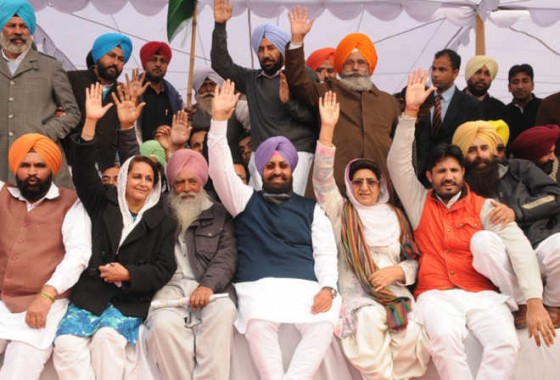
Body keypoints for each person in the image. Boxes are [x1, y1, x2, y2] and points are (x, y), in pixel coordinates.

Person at [387, 69, 555, 379]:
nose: (448, 177)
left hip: (482, 294)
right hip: (436, 294)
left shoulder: (485, 206)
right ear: (429, 177)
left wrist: (533, 301)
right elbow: (397, 163)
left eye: (453, 170)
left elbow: (518, 248)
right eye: (441, 172)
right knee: (446, 341)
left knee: (505, 344)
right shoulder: (418, 201)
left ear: (463, 174)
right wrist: (410, 113)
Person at [208, 80, 340, 380]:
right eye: (270, 165)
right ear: (260, 169)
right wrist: (218, 121)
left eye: (283, 166)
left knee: (323, 325)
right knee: (257, 326)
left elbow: (325, 252)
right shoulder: (243, 200)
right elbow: (218, 169)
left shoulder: (311, 208)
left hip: (305, 287)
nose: (278, 170)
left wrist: (328, 287)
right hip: (259, 288)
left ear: (292, 170)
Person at [52, 83, 176, 380]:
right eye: (136, 176)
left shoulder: (163, 219)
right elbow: (82, 172)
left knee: (108, 340)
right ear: (125, 178)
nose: (143, 183)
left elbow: (164, 268)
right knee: (66, 344)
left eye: (149, 178)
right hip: (90, 295)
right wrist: (91, 123)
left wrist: (129, 274)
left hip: (128, 302)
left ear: (156, 184)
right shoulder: (103, 202)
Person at [313, 91, 430, 379]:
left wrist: (397, 273)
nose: (364, 188)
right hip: (358, 295)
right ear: (349, 186)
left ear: (380, 186)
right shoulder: (342, 212)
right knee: (369, 321)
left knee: (412, 332)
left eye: (370, 182)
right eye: (357, 182)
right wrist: (327, 130)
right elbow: (321, 179)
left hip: (395, 291)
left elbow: (414, 259)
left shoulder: (396, 215)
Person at [0, 134, 91, 380]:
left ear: (50, 168)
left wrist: (46, 295)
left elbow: (79, 254)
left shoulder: (71, 203)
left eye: (39, 166)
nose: (32, 172)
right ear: (15, 167)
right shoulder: (2, 194)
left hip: (42, 305)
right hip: (2, 300)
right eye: (25, 165)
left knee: (18, 369)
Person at [452, 122, 560, 327]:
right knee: (481, 242)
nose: (480, 155)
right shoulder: (460, 187)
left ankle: (553, 306)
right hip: (502, 260)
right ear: (463, 155)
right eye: (472, 150)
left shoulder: (519, 168)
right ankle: (522, 304)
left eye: (484, 148)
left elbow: (555, 196)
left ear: (493, 150)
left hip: (538, 245)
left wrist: (517, 212)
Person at [285, 6, 400, 197]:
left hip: (378, 190)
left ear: (370, 66)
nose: (355, 67)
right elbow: (297, 81)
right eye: (349, 62)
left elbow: (402, 146)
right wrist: (297, 41)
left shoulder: (388, 102)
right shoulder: (326, 91)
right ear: (341, 66)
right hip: (334, 188)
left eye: (361, 62)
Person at [145, 148, 237, 380]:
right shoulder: (159, 212)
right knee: (162, 325)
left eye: (192, 182)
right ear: (172, 185)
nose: (186, 188)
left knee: (224, 312)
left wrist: (207, 286)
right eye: (179, 182)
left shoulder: (219, 213)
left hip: (210, 288)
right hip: (169, 288)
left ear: (202, 182)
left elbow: (227, 256)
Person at [212, 0, 319, 195]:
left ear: (282, 49)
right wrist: (220, 25)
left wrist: (290, 103)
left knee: (290, 212)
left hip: (298, 154)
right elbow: (221, 64)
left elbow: (314, 119)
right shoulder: (252, 79)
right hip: (261, 155)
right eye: (261, 50)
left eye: (271, 48)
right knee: (261, 213)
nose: (266, 54)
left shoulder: (304, 76)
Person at [0, 0, 80, 189]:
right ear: (2, 28)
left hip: (42, 160)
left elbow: (72, 112)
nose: (18, 31)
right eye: (11, 25)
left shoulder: (50, 67)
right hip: (2, 162)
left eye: (24, 26)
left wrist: (44, 134)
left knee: (49, 214)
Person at [67, 33, 140, 172]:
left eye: (121, 59)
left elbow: (123, 137)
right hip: (70, 166)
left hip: (104, 172)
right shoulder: (71, 80)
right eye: (111, 55)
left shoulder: (122, 95)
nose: (116, 62)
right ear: (98, 55)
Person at [414, 49, 482, 183]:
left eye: (442, 70)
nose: (435, 74)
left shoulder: (470, 105)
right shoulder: (419, 100)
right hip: (419, 177)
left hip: (452, 178)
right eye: (433, 69)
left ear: (455, 73)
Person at [189, 68, 246, 162]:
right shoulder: (190, 115)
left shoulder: (235, 109)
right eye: (203, 85)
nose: (208, 90)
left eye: (212, 84)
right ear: (197, 89)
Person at [137, 41, 183, 141]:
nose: (158, 64)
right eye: (153, 60)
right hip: (137, 151)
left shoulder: (173, 96)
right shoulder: (133, 92)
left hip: (167, 153)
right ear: (144, 63)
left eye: (163, 61)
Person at [463, 55, 507, 121]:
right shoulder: (453, 103)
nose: (482, 77)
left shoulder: (499, 108)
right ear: (468, 74)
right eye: (477, 72)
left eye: (487, 74)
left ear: (491, 79)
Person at [506, 64, 542, 142]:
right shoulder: (503, 111)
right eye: (515, 82)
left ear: (532, 85)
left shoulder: (544, 107)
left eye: (525, 81)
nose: (520, 86)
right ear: (509, 87)